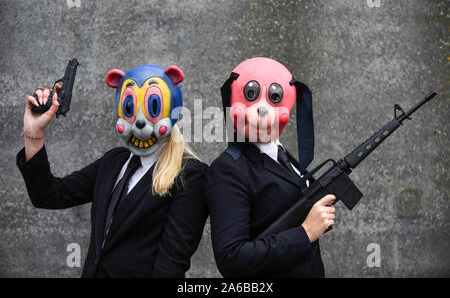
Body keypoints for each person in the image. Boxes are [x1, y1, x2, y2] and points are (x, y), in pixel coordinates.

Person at [16, 64, 208, 277]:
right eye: (130, 108)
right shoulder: (113, 162)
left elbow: (171, 264)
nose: (139, 121)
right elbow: (49, 195)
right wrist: (33, 132)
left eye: (153, 106)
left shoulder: (190, 175)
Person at [205, 57, 335, 277]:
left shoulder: (283, 155)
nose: (262, 110)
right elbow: (232, 258)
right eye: (251, 95)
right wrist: (304, 234)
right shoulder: (227, 169)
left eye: (274, 97)